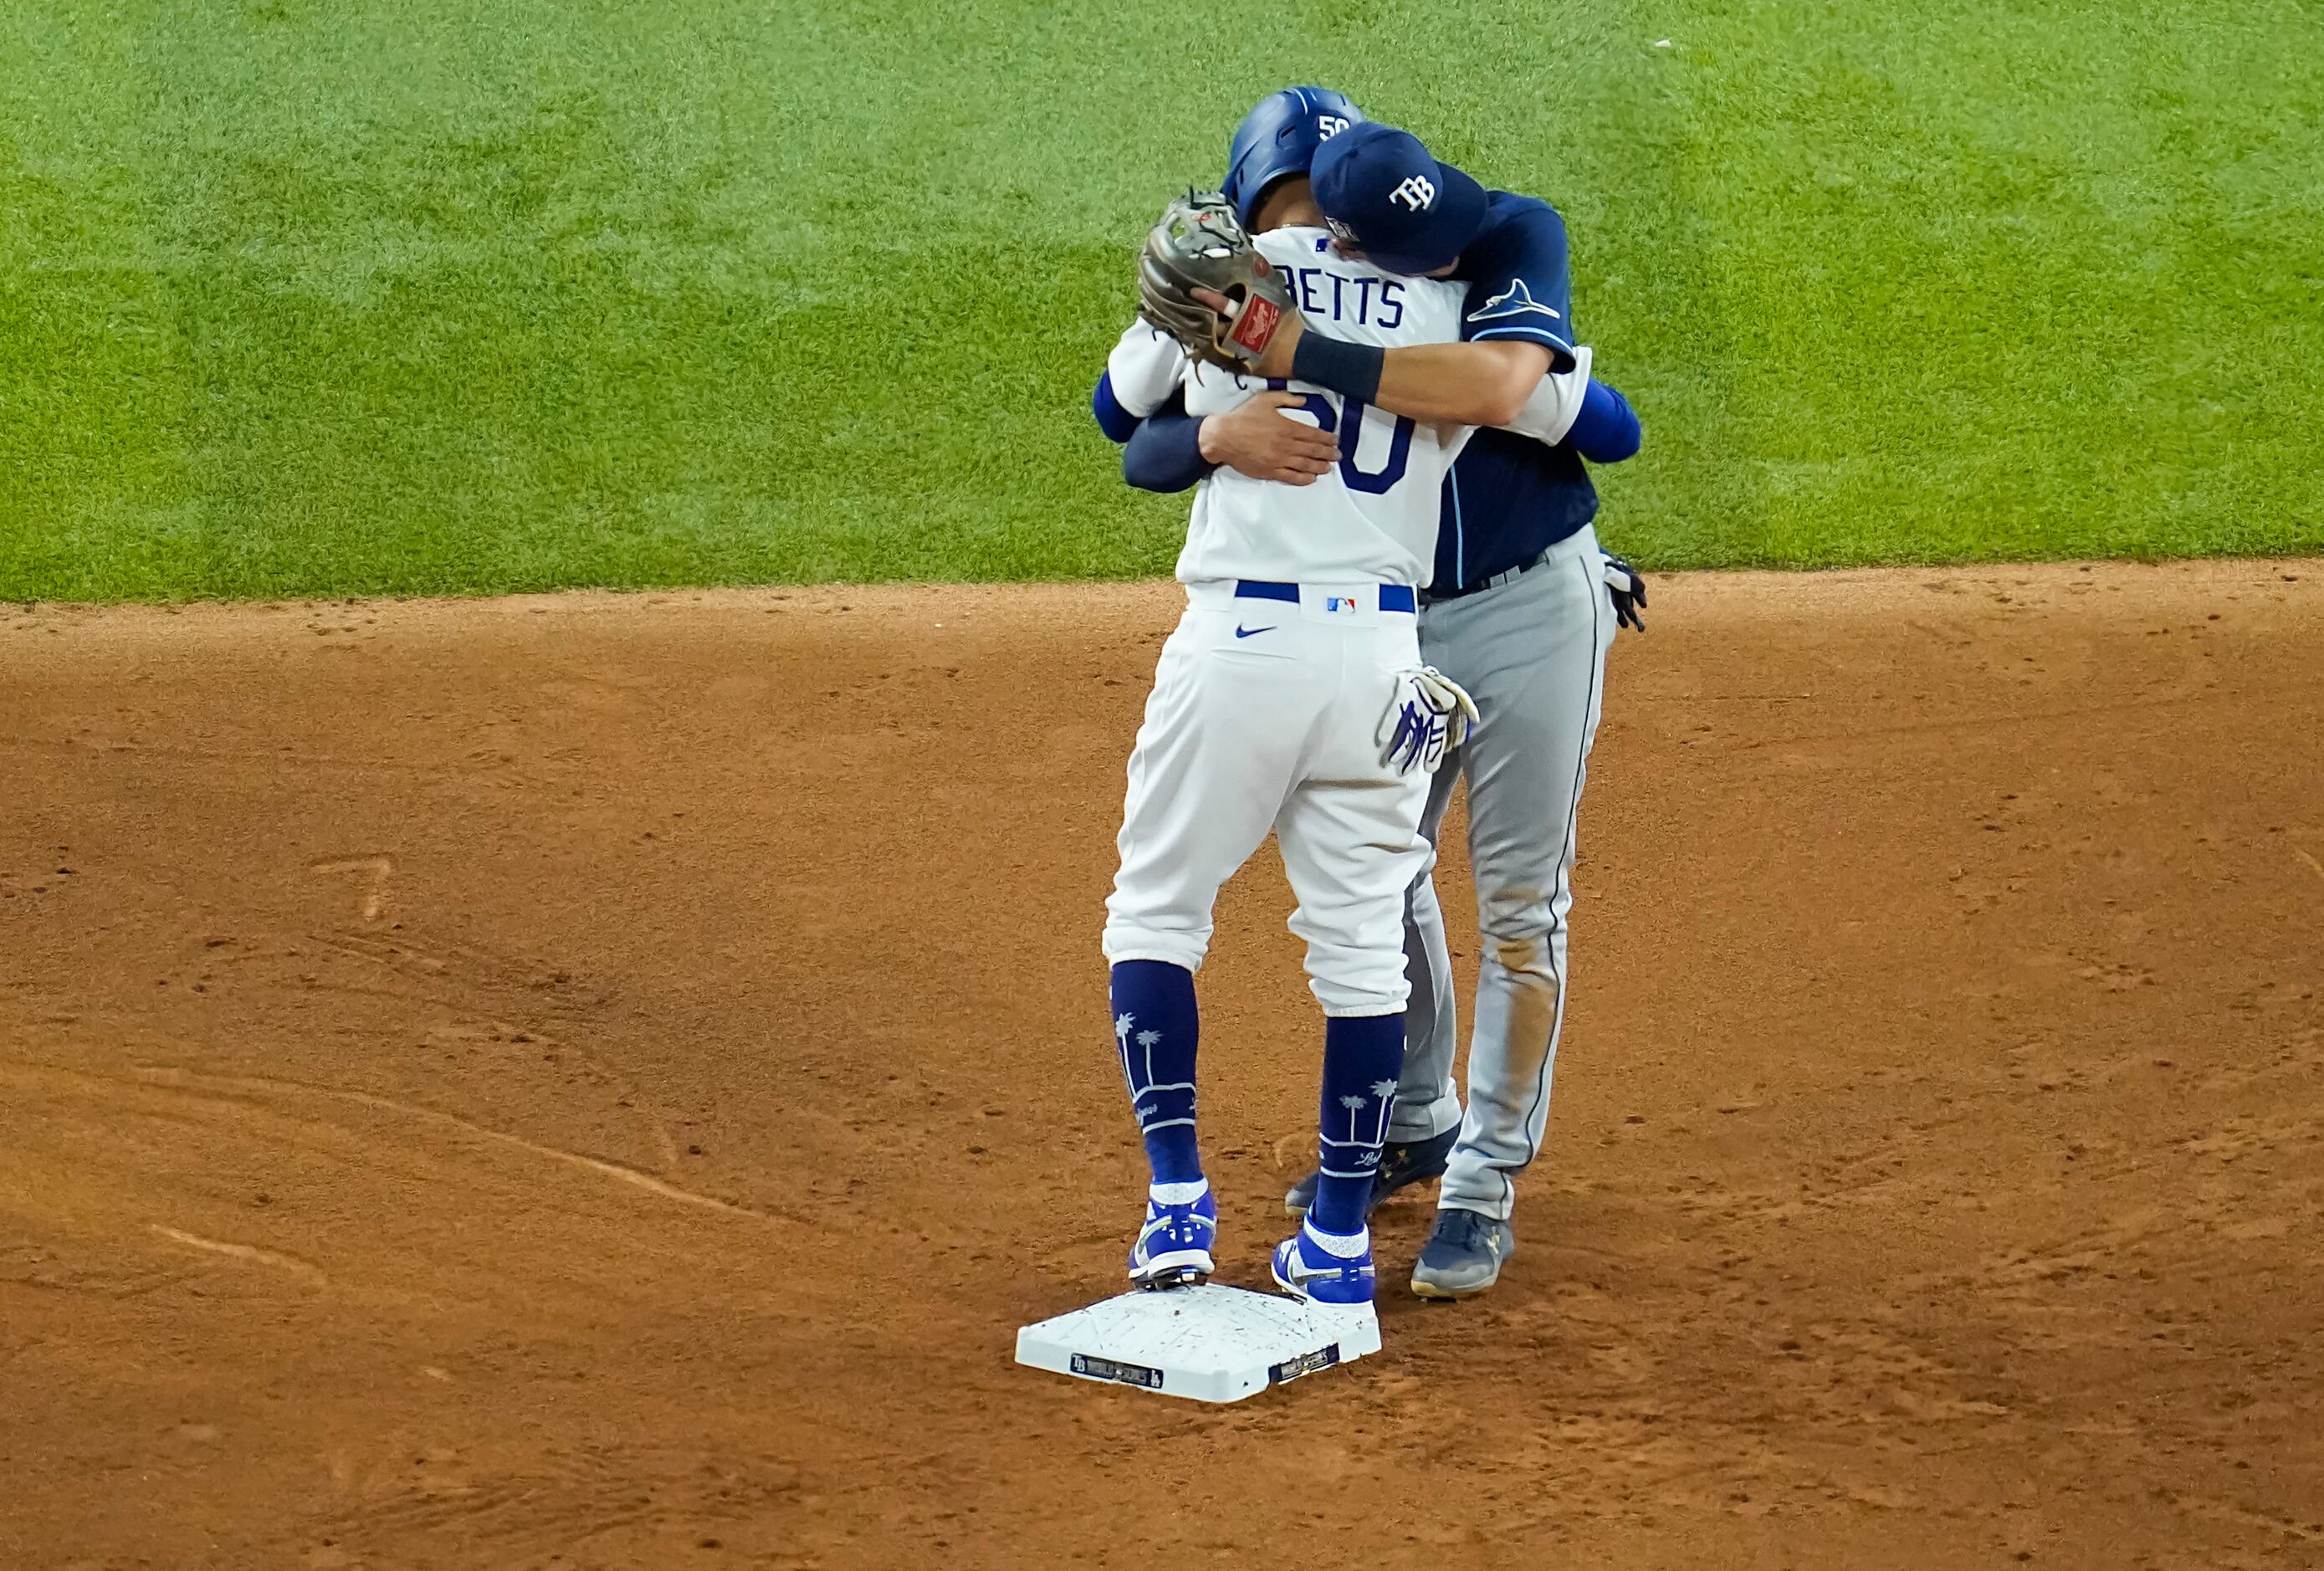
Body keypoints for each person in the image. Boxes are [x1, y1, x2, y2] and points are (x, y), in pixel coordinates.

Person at [1099, 94, 1643, 1300]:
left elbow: (1116, 419)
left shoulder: (1263, 302)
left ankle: (1471, 1181)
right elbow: (1603, 417)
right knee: (1371, 907)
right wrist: (1226, 433)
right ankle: (1381, 1167)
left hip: (1499, 607)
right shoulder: (1433, 302)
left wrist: (1280, 366)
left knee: (1505, 906)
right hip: (1383, 640)